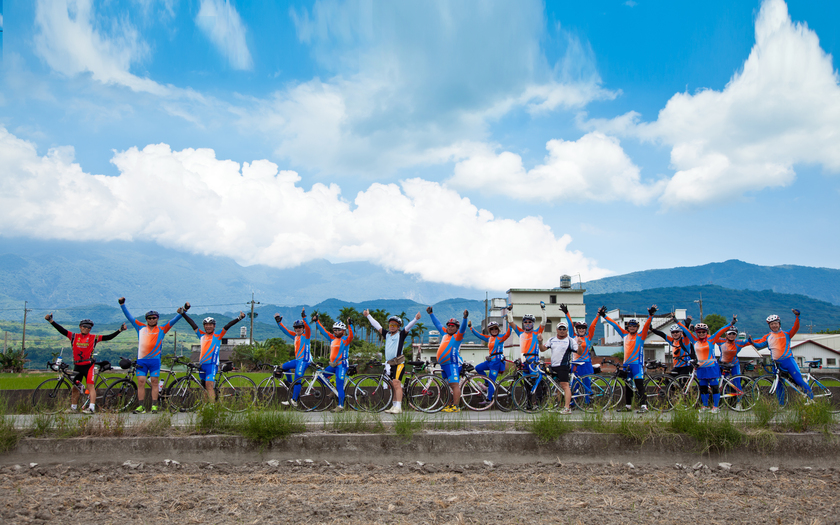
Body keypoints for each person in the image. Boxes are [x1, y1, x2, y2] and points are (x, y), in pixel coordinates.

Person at [44, 314, 126, 414]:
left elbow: (108, 337)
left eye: (89, 327)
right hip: (77, 366)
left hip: (88, 366)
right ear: (80, 327)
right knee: (75, 387)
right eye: (84, 326)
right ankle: (73, 408)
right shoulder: (74, 336)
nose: (86, 329)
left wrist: (120, 330)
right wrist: (51, 321)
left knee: (90, 386)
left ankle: (91, 408)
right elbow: (62, 330)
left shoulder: (94, 338)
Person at [119, 297, 185, 413]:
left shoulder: (162, 329)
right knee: (141, 382)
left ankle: (154, 406)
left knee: (154, 382)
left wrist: (184, 311)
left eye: (154, 318)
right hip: (142, 361)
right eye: (149, 318)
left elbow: (174, 320)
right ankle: (141, 406)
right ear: (146, 319)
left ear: (157, 319)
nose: (151, 320)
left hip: (155, 361)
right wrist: (122, 305)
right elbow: (130, 317)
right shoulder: (140, 327)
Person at [599, 305, 657, 413]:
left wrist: (651, 315)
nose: (632, 327)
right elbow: (615, 325)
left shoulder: (641, 336)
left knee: (640, 385)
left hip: (637, 365)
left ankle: (644, 406)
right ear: (627, 327)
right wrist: (604, 316)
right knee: (628, 386)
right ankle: (628, 406)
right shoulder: (625, 335)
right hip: (626, 365)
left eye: (634, 326)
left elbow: (647, 326)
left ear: (637, 327)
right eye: (630, 325)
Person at [750, 309, 813, 404]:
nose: (774, 325)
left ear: (779, 324)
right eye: (771, 324)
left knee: (799, 380)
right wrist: (752, 342)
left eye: (776, 323)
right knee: (779, 385)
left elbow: (796, 327)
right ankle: (781, 405)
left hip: (788, 361)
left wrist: (797, 316)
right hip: (776, 364)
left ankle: (811, 400)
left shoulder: (786, 334)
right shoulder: (767, 336)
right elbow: (759, 345)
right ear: (769, 326)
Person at [364, 309, 421, 414]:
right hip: (389, 365)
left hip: (398, 364)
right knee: (393, 385)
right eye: (390, 324)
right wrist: (368, 316)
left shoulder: (401, 335)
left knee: (396, 383)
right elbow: (377, 326)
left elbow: (408, 327)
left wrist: (415, 319)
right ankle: (394, 406)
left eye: (394, 325)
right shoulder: (386, 334)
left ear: (398, 327)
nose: (392, 326)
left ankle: (398, 407)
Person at [181, 311, 246, 402]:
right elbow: (193, 324)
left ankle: (212, 408)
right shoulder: (202, 335)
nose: (208, 326)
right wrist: (183, 313)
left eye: (210, 325)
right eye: (206, 325)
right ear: (204, 326)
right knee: (204, 388)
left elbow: (228, 326)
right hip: (202, 365)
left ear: (214, 326)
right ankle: (206, 408)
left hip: (212, 365)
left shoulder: (218, 335)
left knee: (209, 385)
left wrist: (239, 318)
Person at [673, 316, 735, 413]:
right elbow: (686, 331)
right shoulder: (694, 340)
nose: (701, 334)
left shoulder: (711, 340)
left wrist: (731, 323)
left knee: (714, 387)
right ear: (697, 333)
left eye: (703, 332)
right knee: (703, 388)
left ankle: (716, 407)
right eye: (699, 332)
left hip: (712, 367)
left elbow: (720, 331)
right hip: (701, 368)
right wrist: (677, 321)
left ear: (706, 332)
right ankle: (705, 406)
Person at [427, 306, 468, 413]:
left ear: (456, 328)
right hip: (444, 364)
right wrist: (431, 314)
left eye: (453, 326)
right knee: (446, 385)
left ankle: (456, 406)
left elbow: (463, 328)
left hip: (453, 363)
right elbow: (438, 324)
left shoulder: (458, 336)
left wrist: (465, 318)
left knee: (454, 385)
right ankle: (449, 405)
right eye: (449, 325)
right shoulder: (445, 334)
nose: (450, 327)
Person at [507, 302, 547, 406]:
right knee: (526, 384)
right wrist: (509, 311)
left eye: (530, 322)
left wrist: (543, 309)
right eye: (525, 322)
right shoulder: (520, 332)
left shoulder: (537, 332)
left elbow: (543, 322)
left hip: (534, 361)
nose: (527, 323)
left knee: (535, 383)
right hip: (524, 361)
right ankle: (528, 404)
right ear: (523, 323)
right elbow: (511, 322)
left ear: (533, 323)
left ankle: (539, 403)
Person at [312, 314, 354, 412]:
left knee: (340, 385)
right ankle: (333, 388)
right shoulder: (332, 338)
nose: (336, 331)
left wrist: (350, 325)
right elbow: (323, 331)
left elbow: (352, 335)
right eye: (335, 329)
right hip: (333, 365)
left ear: (343, 331)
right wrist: (317, 321)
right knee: (321, 377)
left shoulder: (346, 339)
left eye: (339, 330)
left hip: (342, 365)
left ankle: (340, 406)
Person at [274, 308, 312, 407]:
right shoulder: (295, 336)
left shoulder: (306, 336)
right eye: (296, 327)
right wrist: (279, 323)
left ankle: (294, 400)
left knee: (297, 379)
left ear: (303, 328)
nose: (298, 329)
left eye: (300, 327)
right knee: (284, 367)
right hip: (298, 360)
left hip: (304, 360)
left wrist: (304, 317)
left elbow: (309, 328)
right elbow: (285, 331)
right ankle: (291, 384)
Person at [469, 319, 512, 406]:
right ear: (489, 330)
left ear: (498, 329)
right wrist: (471, 328)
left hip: (496, 362)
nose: (494, 330)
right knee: (478, 368)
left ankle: (489, 399)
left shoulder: (500, 337)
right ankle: (486, 382)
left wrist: (510, 322)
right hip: (490, 360)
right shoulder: (489, 338)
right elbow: (479, 335)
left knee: (492, 381)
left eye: (496, 328)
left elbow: (508, 333)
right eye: (492, 329)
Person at [538, 321, 578, 414]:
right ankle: (560, 406)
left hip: (563, 366)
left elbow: (578, 352)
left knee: (565, 386)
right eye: (560, 329)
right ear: (557, 330)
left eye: (564, 329)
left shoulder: (570, 340)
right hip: (554, 366)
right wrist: (540, 342)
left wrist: (579, 344)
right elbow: (542, 349)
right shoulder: (552, 340)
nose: (562, 330)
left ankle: (567, 408)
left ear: (567, 330)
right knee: (557, 387)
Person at [560, 303, 598, 396]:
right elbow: (569, 323)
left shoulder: (588, 337)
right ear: (577, 329)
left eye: (583, 328)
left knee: (587, 384)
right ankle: (573, 402)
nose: (581, 329)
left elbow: (593, 326)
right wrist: (566, 313)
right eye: (579, 328)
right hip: (575, 363)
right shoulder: (573, 336)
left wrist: (598, 315)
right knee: (574, 385)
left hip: (586, 363)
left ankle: (587, 403)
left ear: (585, 330)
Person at [713, 317, 749, 392]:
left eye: (734, 334)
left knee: (737, 383)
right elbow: (715, 334)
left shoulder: (739, 342)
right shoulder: (720, 340)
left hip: (735, 365)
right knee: (722, 383)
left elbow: (754, 341)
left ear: (736, 335)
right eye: (729, 334)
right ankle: (726, 401)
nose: (731, 335)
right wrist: (730, 324)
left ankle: (739, 402)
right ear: (726, 334)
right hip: (723, 365)